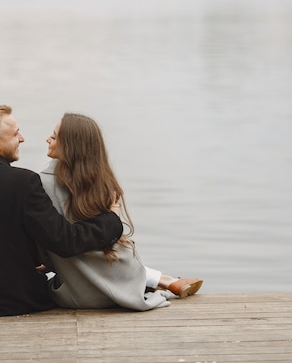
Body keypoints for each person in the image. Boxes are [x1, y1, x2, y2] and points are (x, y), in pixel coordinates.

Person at [0, 105, 125, 318]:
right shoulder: (24, 182)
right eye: (15, 134)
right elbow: (66, 241)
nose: (22, 139)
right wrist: (112, 220)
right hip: (14, 300)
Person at [39, 112, 203, 311]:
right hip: (120, 282)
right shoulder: (100, 182)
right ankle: (164, 280)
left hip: (77, 294)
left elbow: (50, 241)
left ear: (69, 146)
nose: (48, 139)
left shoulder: (41, 185)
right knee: (110, 252)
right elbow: (107, 236)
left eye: (54, 136)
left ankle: (164, 280)